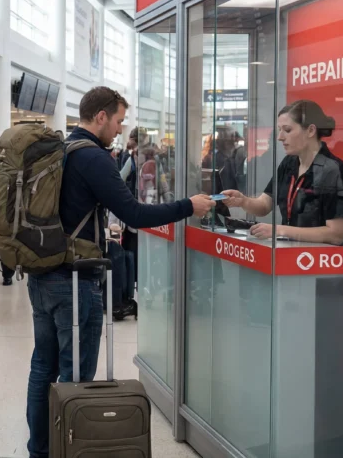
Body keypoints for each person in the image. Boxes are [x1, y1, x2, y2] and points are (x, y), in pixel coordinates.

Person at [24, 87, 214, 458]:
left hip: (43, 273)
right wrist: (188, 206)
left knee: (42, 367)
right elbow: (136, 214)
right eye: (118, 120)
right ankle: (66, 450)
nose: (119, 128)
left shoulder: (60, 149)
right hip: (75, 279)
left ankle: (42, 451)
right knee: (75, 377)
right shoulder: (94, 158)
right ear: (100, 117)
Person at [222, 99, 343, 245]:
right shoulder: (289, 163)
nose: (280, 137)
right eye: (279, 130)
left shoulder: (333, 170)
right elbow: (265, 204)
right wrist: (243, 201)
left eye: (287, 130)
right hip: (292, 253)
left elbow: (335, 234)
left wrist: (280, 230)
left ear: (311, 130)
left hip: (323, 260)